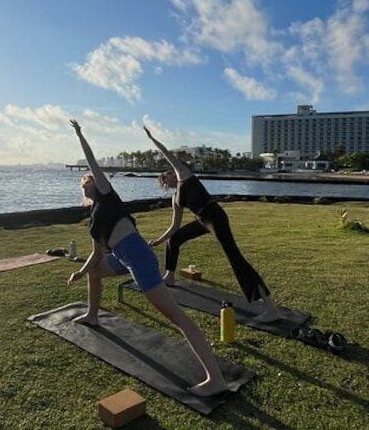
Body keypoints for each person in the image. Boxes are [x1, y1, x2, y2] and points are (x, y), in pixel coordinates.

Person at [67, 119, 228, 396]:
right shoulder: (94, 219)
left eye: (90, 179)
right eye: (84, 180)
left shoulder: (106, 195)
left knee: (176, 316)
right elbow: (96, 254)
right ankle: (93, 315)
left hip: (138, 257)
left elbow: (93, 162)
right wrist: (81, 272)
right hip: (123, 257)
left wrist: (80, 134)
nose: (87, 180)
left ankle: (216, 378)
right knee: (95, 273)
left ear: (97, 183)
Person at [143, 125, 281, 322]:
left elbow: (166, 153)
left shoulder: (184, 174)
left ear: (173, 173)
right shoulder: (176, 200)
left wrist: (152, 139)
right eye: (164, 181)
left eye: (167, 175)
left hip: (215, 216)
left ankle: (270, 309)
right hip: (202, 220)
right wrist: (158, 240)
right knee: (175, 238)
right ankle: (170, 275)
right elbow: (174, 226)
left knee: (236, 259)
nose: (167, 179)